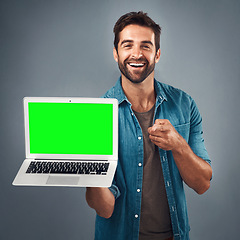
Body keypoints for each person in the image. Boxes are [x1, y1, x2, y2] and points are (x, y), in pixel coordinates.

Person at [85, 11, 212, 240]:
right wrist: (89, 172)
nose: (136, 54)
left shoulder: (184, 104)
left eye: (145, 45)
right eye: (127, 45)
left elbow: (202, 184)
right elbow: (105, 208)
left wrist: (179, 146)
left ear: (157, 54)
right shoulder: (99, 115)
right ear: (116, 53)